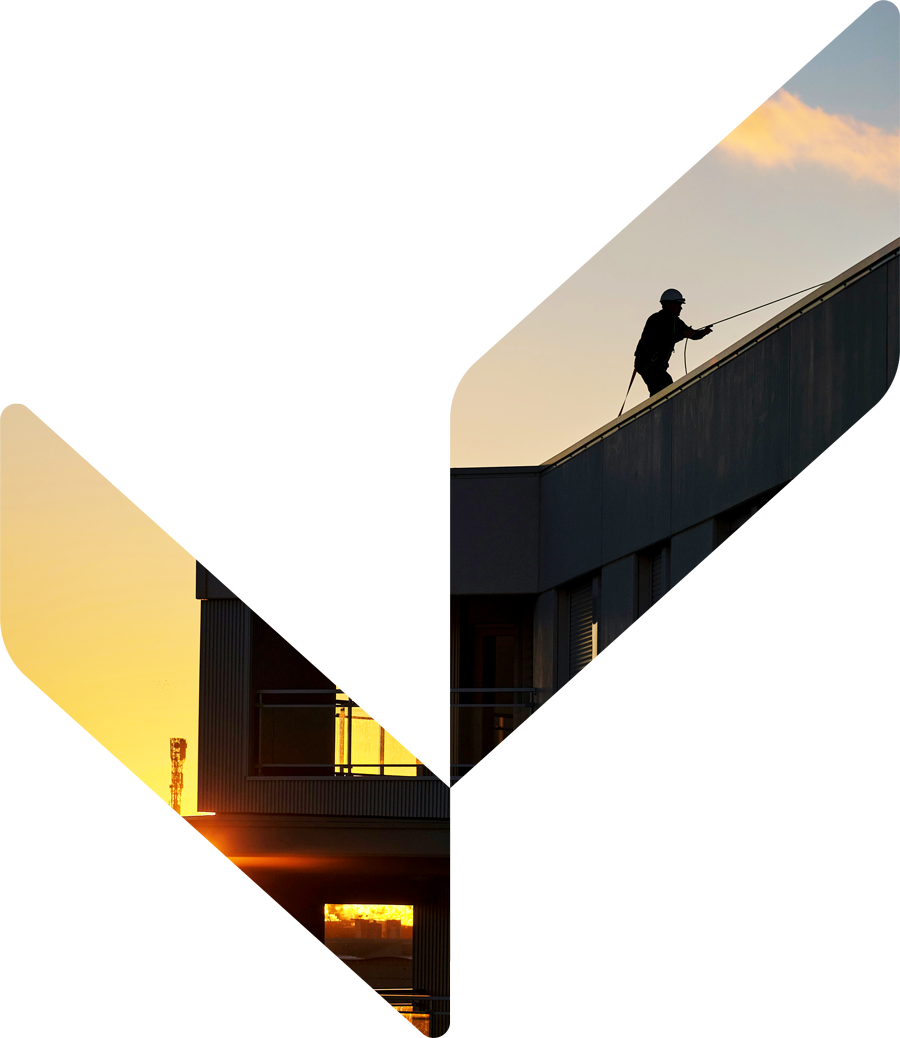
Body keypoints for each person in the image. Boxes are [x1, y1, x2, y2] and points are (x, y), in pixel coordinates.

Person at [634, 289, 712, 396]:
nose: (681, 307)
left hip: (656, 365)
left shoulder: (676, 322)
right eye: (678, 304)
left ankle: (658, 411)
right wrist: (683, 334)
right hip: (647, 363)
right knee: (666, 384)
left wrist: (702, 333)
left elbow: (691, 334)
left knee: (658, 392)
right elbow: (663, 339)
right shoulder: (656, 320)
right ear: (668, 304)